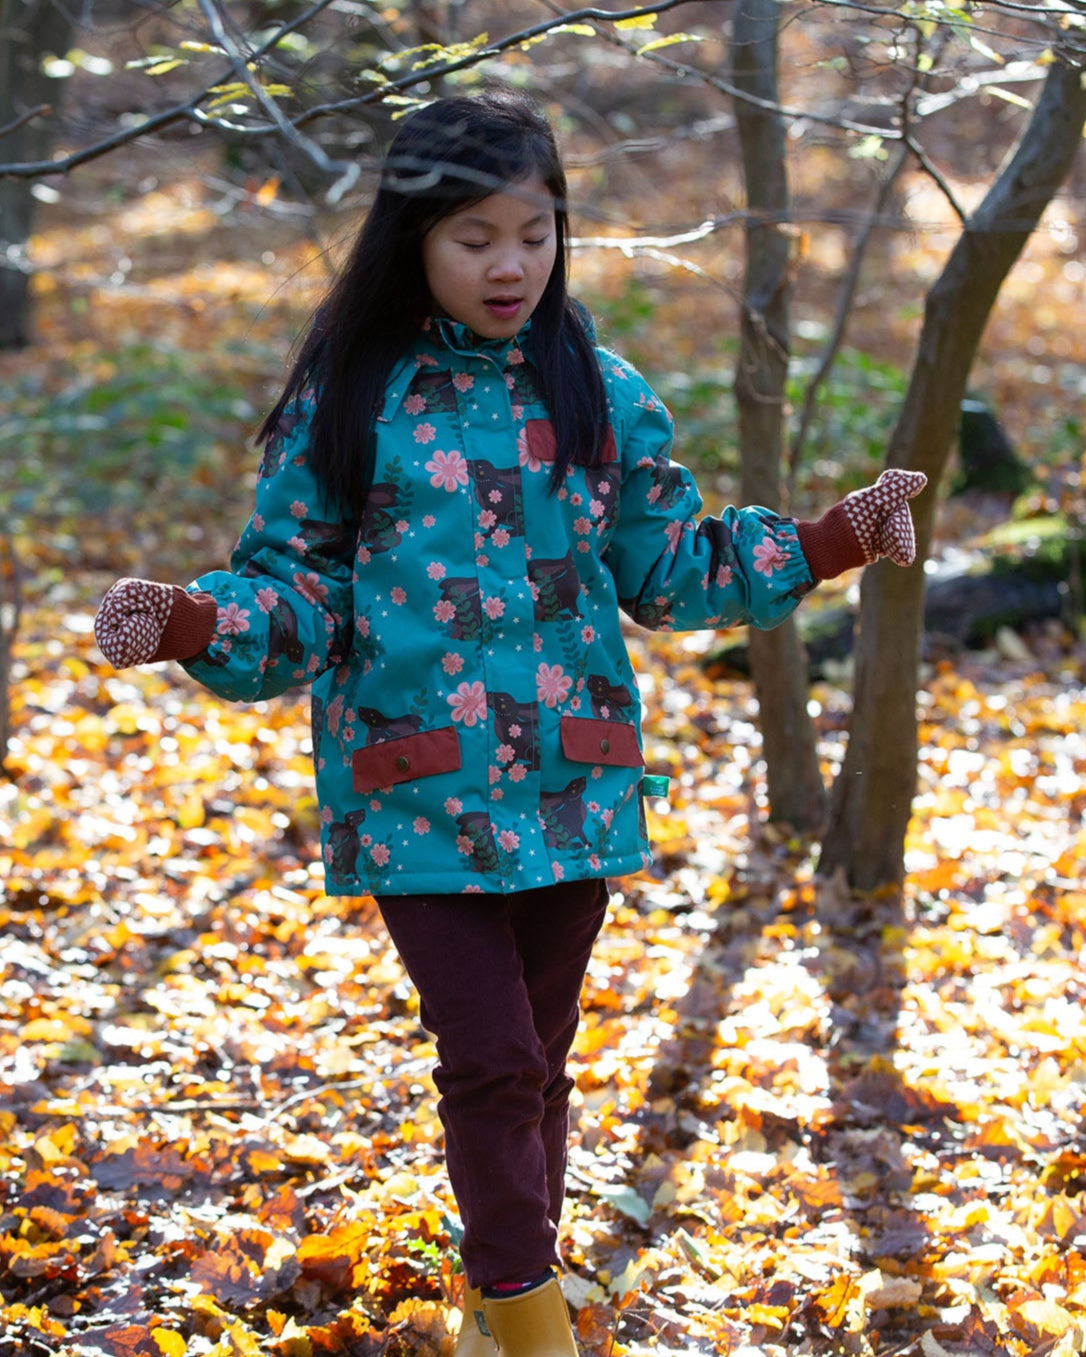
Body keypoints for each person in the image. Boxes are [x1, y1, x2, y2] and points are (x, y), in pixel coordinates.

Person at [94, 89, 926, 1357]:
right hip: (412, 791)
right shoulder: (355, 396)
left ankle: (504, 1296)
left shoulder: (593, 383)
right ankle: (534, 1328)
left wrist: (827, 539)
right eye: (475, 236)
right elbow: (300, 596)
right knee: (487, 1057)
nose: (509, 264)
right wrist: (199, 626)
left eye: (534, 234)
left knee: (538, 1056)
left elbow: (668, 569)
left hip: (569, 786)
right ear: (416, 237)